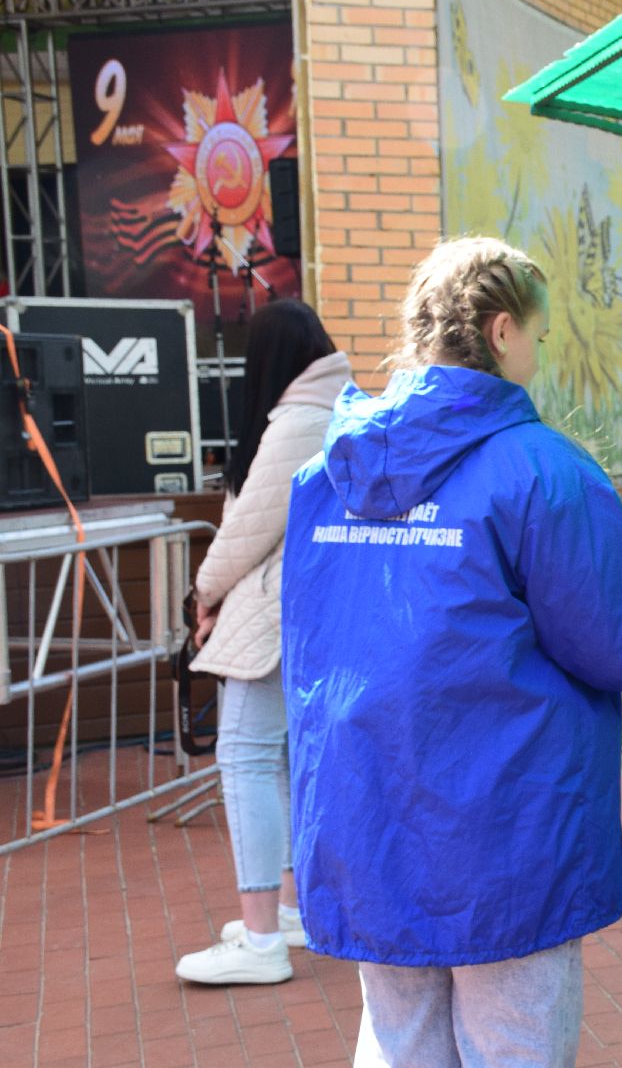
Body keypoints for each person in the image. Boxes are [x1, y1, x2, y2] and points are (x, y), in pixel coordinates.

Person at [278, 236, 622, 1066]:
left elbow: (313, 649)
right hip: (504, 829)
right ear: (502, 330)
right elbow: (615, 645)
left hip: (367, 820)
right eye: (539, 337)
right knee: (514, 1045)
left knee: (399, 1042)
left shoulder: (326, 476)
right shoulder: (544, 471)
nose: (539, 358)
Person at [174, 299, 351, 985]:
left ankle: (260, 942)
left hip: (272, 616)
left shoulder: (301, 420)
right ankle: (286, 913)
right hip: (299, 612)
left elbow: (248, 527)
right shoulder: (337, 407)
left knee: (244, 755)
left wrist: (203, 592)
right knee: (275, 759)